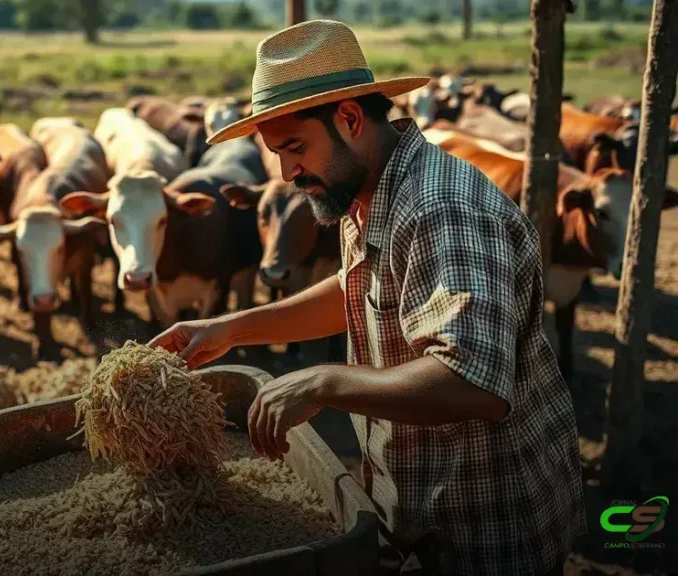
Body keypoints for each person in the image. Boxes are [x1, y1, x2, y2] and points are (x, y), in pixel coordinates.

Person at [150, 20, 585, 576]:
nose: (285, 172)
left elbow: (473, 384)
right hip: (419, 498)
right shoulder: (367, 188)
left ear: (350, 119)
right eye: (275, 152)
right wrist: (231, 328)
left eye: (294, 147)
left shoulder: (440, 210)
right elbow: (359, 290)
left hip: (485, 523)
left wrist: (323, 382)